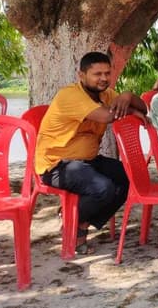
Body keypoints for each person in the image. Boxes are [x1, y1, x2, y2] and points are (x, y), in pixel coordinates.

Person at [35, 51, 146, 254]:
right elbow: (106, 116)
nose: (103, 78)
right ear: (81, 75)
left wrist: (128, 96)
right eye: (97, 74)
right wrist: (129, 109)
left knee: (132, 178)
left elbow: (144, 108)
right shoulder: (69, 95)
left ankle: (81, 220)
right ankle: (74, 222)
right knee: (103, 188)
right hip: (57, 165)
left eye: (107, 73)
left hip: (89, 160)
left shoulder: (106, 94)